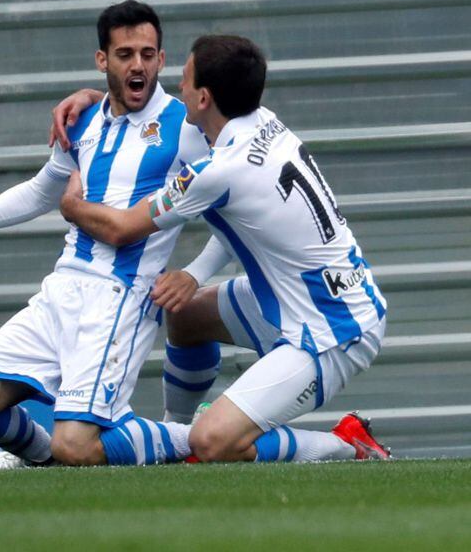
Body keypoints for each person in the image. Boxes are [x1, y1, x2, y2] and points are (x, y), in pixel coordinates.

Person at [0, 0, 211, 467]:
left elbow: (236, 199)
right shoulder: (83, 119)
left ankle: (200, 436)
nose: (139, 65)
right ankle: (42, 460)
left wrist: (194, 271)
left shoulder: (184, 126)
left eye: (148, 54)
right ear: (102, 60)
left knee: (78, 445)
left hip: (121, 296)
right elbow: (41, 190)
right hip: (63, 290)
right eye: (125, 54)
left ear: (162, 61)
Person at [55, 34, 391, 463]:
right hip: (311, 295)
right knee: (187, 316)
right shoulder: (262, 120)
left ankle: (348, 446)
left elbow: (123, 228)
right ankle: (174, 436)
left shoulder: (218, 170)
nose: (177, 87)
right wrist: (102, 101)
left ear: (204, 99)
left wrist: (72, 206)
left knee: (212, 441)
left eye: (186, 80)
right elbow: (241, 221)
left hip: (333, 331)